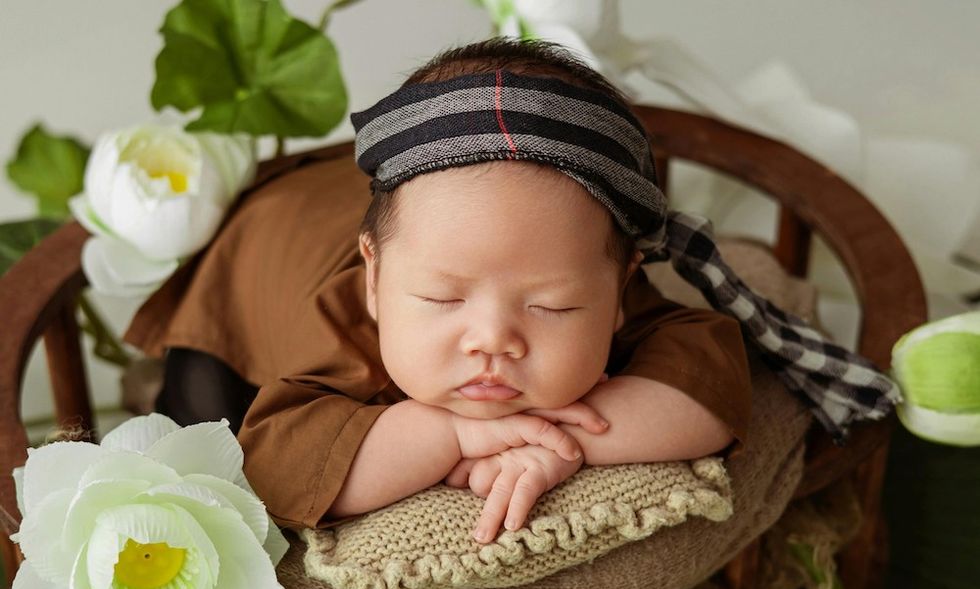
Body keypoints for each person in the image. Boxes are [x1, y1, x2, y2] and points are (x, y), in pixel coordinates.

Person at [127, 38, 897, 545]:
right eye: (440, 299)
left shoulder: (606, 289)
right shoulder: (343, 324)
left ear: (622, 286)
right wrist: (452, 435)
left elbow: (710, 378)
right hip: (267, 244)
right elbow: (277, 463)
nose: (492, 338)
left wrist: (560, 441)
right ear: (376, 277)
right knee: (201, 411)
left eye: (552, 305)